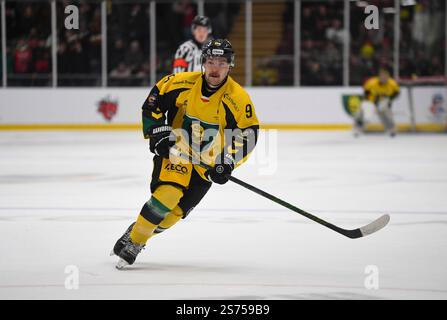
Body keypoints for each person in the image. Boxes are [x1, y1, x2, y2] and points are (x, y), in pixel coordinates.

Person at [111, 39, 260, 269]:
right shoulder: (181, 84)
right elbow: (153, 103)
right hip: (177, 152)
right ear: (203, 62)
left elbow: (248, 134)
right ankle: (135, 242)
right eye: (211, 61)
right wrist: (158, 133)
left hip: (206, 167)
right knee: (168, 196)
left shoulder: (238, 99)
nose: (215, 68)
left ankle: (137, 230)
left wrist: (227, 162)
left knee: (171, 217)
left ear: (230, 65)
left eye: (221, 63)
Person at [353, 67, 400, 137]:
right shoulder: (371, 83)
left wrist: (389, 101)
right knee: (360, 112)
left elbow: (396, 93)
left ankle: (391, 129)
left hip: (383, 102)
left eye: (385, 76)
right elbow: (366, 93)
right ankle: (358, 128)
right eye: (382, 76)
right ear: (379, 76)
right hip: (371, 102)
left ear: (388, 77)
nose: (384, 78)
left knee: (385, 110)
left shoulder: (392, 84)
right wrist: (368, 102)